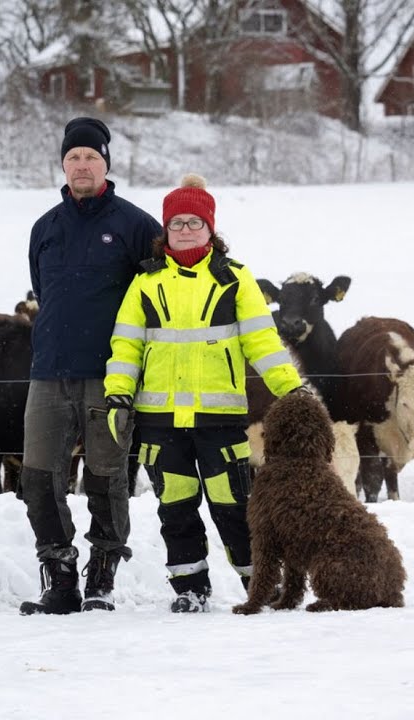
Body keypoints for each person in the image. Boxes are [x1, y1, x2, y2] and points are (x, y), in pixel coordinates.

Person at [103, 173, 304, 613]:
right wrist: (118, 394)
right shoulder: (146, 282)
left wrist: (292, 391)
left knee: (234, 505)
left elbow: (262, 342)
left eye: (195, 222)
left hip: (220, 419)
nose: (186, 229)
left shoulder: (235, 278)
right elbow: (126, 345)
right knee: (175, 509)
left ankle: (260, 583)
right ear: (166, 230)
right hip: (160, 420)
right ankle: (190, 589)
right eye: (177, 223)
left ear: (210, 228)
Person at [19, 117, 163, 615]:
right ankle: (59, 576)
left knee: (107, 476)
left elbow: (156, 300)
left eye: (91, 157)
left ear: (106, 164)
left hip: (111, 374)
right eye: (73, 157)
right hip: (49, 371)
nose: (82, 165)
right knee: (39, 477)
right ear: (63, 165)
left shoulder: (137, 226)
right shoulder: (45, 228)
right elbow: (43, 291)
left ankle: (102, 574)